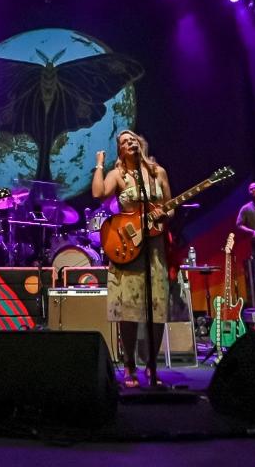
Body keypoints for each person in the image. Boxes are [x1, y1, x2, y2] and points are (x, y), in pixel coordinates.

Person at [92, 129, 172, 389]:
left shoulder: (157, 172)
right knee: (128, 310)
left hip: (155, 248)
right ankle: (129, 366)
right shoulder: (118, 175)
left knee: (156, 308)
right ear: (120, 150)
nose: (129, 143)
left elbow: (170, 207)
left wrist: (164, 215)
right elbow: (99, 194)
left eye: (132, 140)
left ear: (140, 144)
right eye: (124, 142)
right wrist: (100, 165)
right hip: (128, 249)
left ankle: (152, 366)